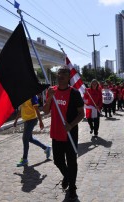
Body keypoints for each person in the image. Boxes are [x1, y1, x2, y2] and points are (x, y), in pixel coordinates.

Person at [43, 67, 84, 201]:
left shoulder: (74, 93)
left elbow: (81, 114)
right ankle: (67, 176)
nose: (60, 77)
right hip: (56, 133)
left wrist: (71, 125)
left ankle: (72, 188)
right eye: (59, 74)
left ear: (68, 78)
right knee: (58, 161)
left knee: (72, 162)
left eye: (63, 75)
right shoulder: (51, 91)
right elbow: (45, 111)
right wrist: (49, 98)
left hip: (70, 133)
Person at [14, 95, 51, 167]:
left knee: (25, 139)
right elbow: (20, 110)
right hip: (26, 120)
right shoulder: (22, 96)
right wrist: (16, 120)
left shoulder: (32, 96)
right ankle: (46, 148)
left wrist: (41, 121)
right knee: (29, 139)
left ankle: (25, 159)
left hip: (32, 120)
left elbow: (37, 110)